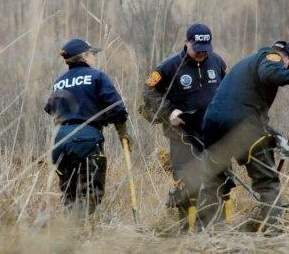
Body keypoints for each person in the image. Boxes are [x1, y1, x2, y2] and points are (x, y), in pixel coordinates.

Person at [201, 41, 289, 233]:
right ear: (287, 60)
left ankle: (210, 232)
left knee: (215, 181)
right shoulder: (271, 57)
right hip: (242, 127)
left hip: (212, 126)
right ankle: (273, 232)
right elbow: (270, 74)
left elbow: (243, 110)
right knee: (267, 182)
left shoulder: (245, 65)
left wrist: (276, 138)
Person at [141, 23, 228, 230]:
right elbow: (148, 92)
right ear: (187, 42)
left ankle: (216, 232)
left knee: (218, 181)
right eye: (196, 49)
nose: (201, 54)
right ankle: (184, 233)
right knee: (187, 183)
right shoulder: (170, 66)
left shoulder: (217, 62)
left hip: (212, 134)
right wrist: (169, 111)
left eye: (205, 50)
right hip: (182, 136)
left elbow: (228, 89)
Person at [45, 38, 130, 215]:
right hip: (86, 139)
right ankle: (87, 233)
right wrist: (123, 133)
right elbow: (117, 109)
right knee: (90, 193)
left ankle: (70, 233)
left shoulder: (59, 81)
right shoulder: (97, 76)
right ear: (84, 56)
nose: (95, 57)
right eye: (92, 54)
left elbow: (50, 109)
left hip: (59, 140)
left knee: (69, 194)